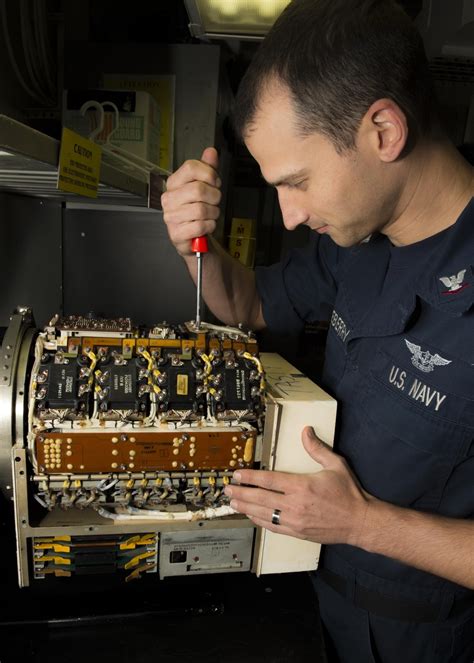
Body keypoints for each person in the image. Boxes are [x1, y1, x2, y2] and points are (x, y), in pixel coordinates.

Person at [161, 0, 474, 660]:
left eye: (297, 182)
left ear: (383, 131)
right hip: (329, 606)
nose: (291, 214)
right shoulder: (355, 241)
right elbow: (246, 304)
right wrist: (196, 243)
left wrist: (360, 521)